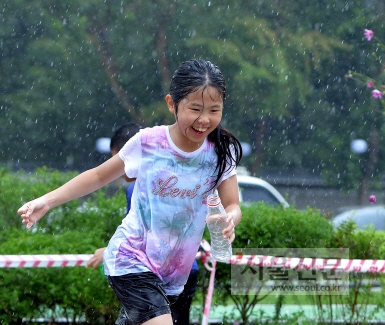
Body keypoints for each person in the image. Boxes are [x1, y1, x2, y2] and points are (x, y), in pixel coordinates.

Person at [18, 58, 243, 325]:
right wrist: (47, 201)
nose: (204, 120)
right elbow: (99, 175)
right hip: (131, 260)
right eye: (195, 109)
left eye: (214, 110)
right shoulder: (149, 142)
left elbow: (233, 205)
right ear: (172, 104)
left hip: (172, 274)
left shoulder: (221, 151)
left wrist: (230, 219)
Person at [86, 122, 201, 325]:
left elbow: (144, 240)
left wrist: (108, 252)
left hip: (154, 272)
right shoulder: (175, 179)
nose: (118, 169)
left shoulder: (137, 189)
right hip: (186, 268)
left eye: (117, 159)